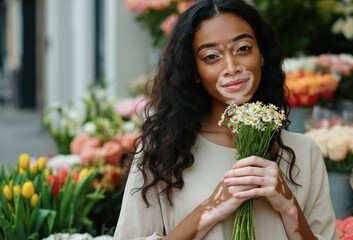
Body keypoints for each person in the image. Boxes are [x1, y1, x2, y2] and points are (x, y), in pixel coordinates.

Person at [114, 0, 338, 239]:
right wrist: (211, 209)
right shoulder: (161, 153)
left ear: (261, 54)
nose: (231, 67)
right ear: (194, 71)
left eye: (242, 48)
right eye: (211, 57)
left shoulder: (304, 152)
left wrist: (288, 206)